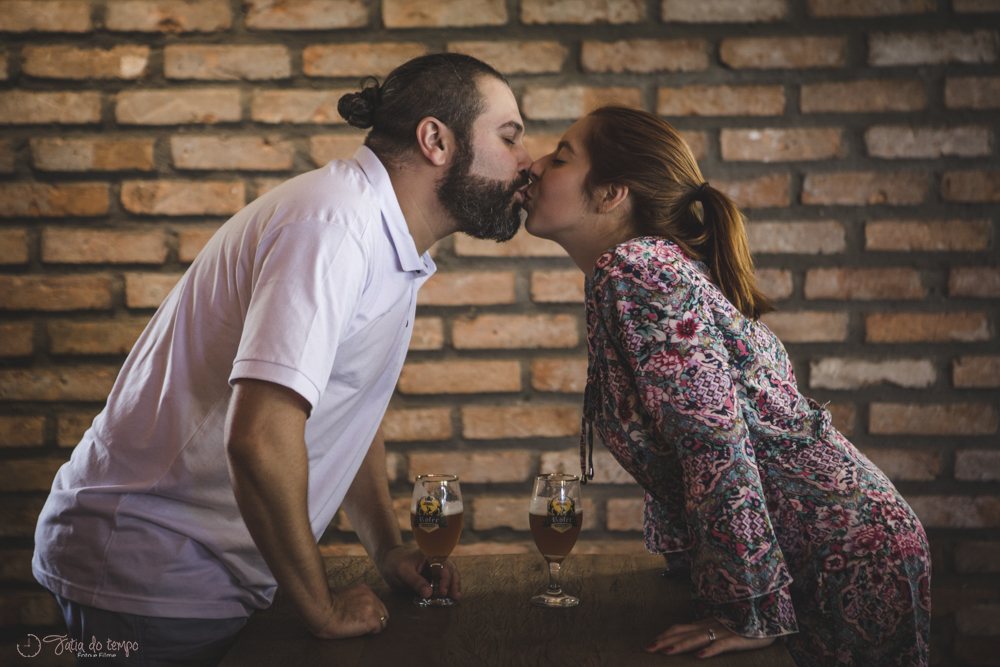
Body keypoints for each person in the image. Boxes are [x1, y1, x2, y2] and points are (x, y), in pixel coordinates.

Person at [32, 52, 532, 666]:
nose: (526, 160)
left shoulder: (379, 234)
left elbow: (345, 408)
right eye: (509, 136)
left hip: (199, 573)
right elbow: (259, 440)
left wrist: (387, 549)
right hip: (155, 573)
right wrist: (321, 608)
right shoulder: (333, 228)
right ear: (436, 141)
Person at [522, 106, 930, 667]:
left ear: (612, 192)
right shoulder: (640, 268)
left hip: (843, 557)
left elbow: (712, 439)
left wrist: (748, 610)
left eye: (561, 157)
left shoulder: (640, 270)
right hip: (824, 549)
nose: (535, 164)